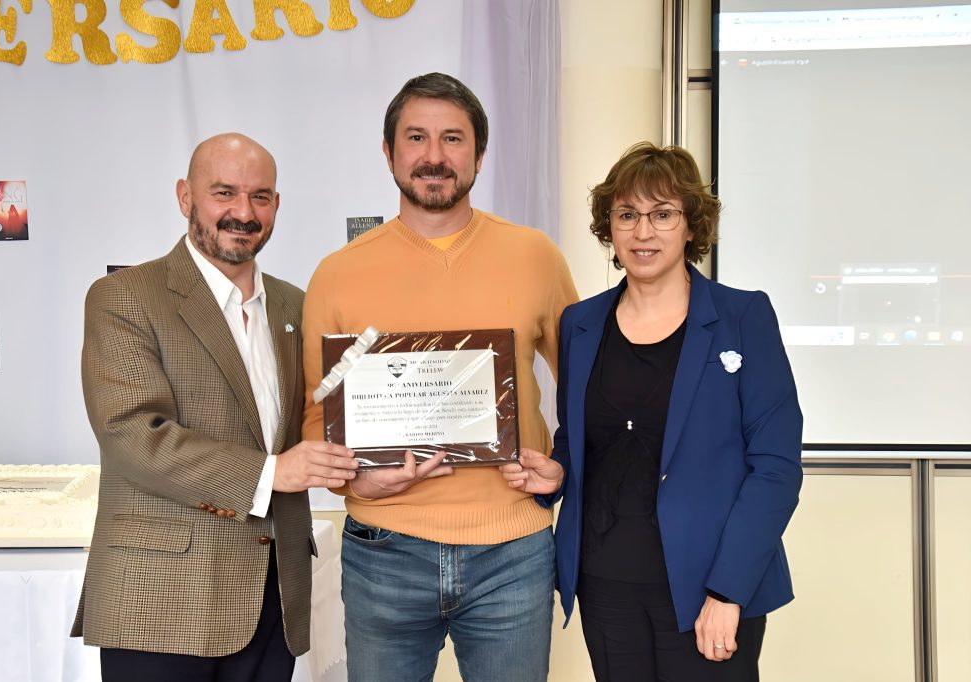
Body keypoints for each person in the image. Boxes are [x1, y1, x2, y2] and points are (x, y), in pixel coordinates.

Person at [301, 73, 578, 681]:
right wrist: (355, 486)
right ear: (389, 151)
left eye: (452, 138)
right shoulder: (338, 274)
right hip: (384, 550)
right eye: (417, 137)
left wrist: (564, 466)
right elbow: (318, 414)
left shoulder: (535, 256)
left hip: (514, 548)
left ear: (479, 152)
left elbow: (587, 390)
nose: (434, 156)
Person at [502, 142, 803, 681]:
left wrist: (728, 591)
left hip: (708, 586)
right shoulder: (581, 323)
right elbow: (580, 437)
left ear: (691, 225)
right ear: (609, 229)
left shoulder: (743, 316)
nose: (644, 232)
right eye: (627, 215)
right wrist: (554, 473)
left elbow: (776, 469)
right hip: (605, 583)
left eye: (663, 214)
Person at [73, 133, 359, 682]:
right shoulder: (124, 298)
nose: (243, 213)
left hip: (274, 596)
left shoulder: (296, 304)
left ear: (277, 205)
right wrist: (276, 471)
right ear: (186, 197)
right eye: (224, 193)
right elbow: (133, 434)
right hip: (162, 602)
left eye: (260, 196)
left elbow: (324, 410)